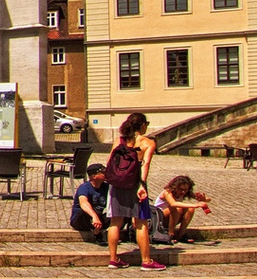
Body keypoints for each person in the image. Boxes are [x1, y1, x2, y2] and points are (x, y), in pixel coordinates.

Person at [104, 112, 163, 270]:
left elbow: (110, 161)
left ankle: (114, 258)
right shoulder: (147, 142)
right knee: (141, 223)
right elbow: (146, 164)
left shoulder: (119, 140)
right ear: (143, 125)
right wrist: (142, 185)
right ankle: (146, 261)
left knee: (115, 222)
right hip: (135, 185)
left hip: (117, 184)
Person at [155, 175, 212, 244]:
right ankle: (170, 234)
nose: (183, 192)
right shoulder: (167, 192)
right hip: (159, 217)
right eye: (181, 189)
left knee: (190, 209)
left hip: (173, 217)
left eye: (185, 190)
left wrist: (204, 199)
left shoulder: (185, 192)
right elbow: (173, 204)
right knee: (178, 208)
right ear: (175, 187)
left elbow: (208, 199)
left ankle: (180, 235)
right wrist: (195, 205)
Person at [71, 164, 110, 241]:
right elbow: (83, 203)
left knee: (120, 213)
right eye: (103, 173)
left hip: (97, 220)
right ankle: (97, 234)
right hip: (81, 220)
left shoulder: (106, 187)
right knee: (93, 212)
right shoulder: (84, 188)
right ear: (94, 176)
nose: (106, 174)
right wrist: (94, 216)